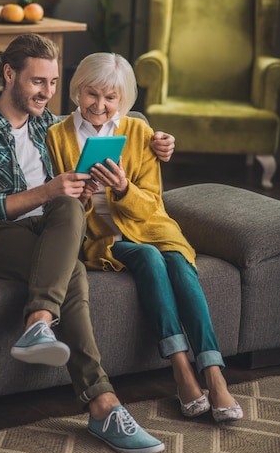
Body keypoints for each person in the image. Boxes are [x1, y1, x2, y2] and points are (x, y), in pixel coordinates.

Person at [0, 33, 175, 453]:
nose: (47, 93)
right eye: (38, 82)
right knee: (70, 265)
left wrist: (157, 142)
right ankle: (103, 403)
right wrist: (49, 191)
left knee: (71, 210)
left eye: (53, 83)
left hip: (51, 232)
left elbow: (117, 116)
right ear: (10, 75)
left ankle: (40, 325)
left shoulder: (50, 127)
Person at [46, 51, 243, 424]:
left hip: (151, 227)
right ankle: (181, 367)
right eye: (92, 94)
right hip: (103, 238)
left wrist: (123, 188)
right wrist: (84, 196)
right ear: (77, 91)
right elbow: (60, 208)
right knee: (150, 258)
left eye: (110, 97)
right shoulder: (56, 137)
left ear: (123, 99)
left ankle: (214, 372)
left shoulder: (139, 133)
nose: (100, 105)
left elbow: (153, 202)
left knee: (178, 263)